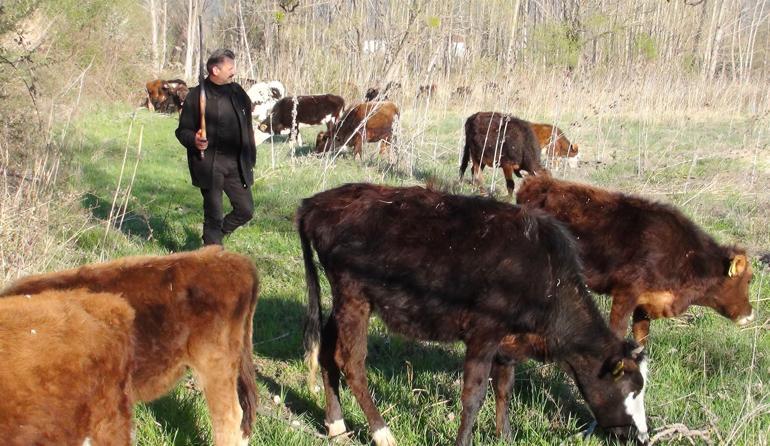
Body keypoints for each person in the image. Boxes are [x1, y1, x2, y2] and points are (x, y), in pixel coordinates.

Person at [176, 49, 257, 245]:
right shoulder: (196, 96)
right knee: (214, 215)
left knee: (245, 210)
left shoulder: (237, 92)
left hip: (237, 164)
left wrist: (250, 153)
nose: (234, 72)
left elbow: (247, 120)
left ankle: (214, 237)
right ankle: (213, 254)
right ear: (215, 70)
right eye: (230, 68)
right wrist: (194, 140)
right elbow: (182, 131)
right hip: (210, 165)